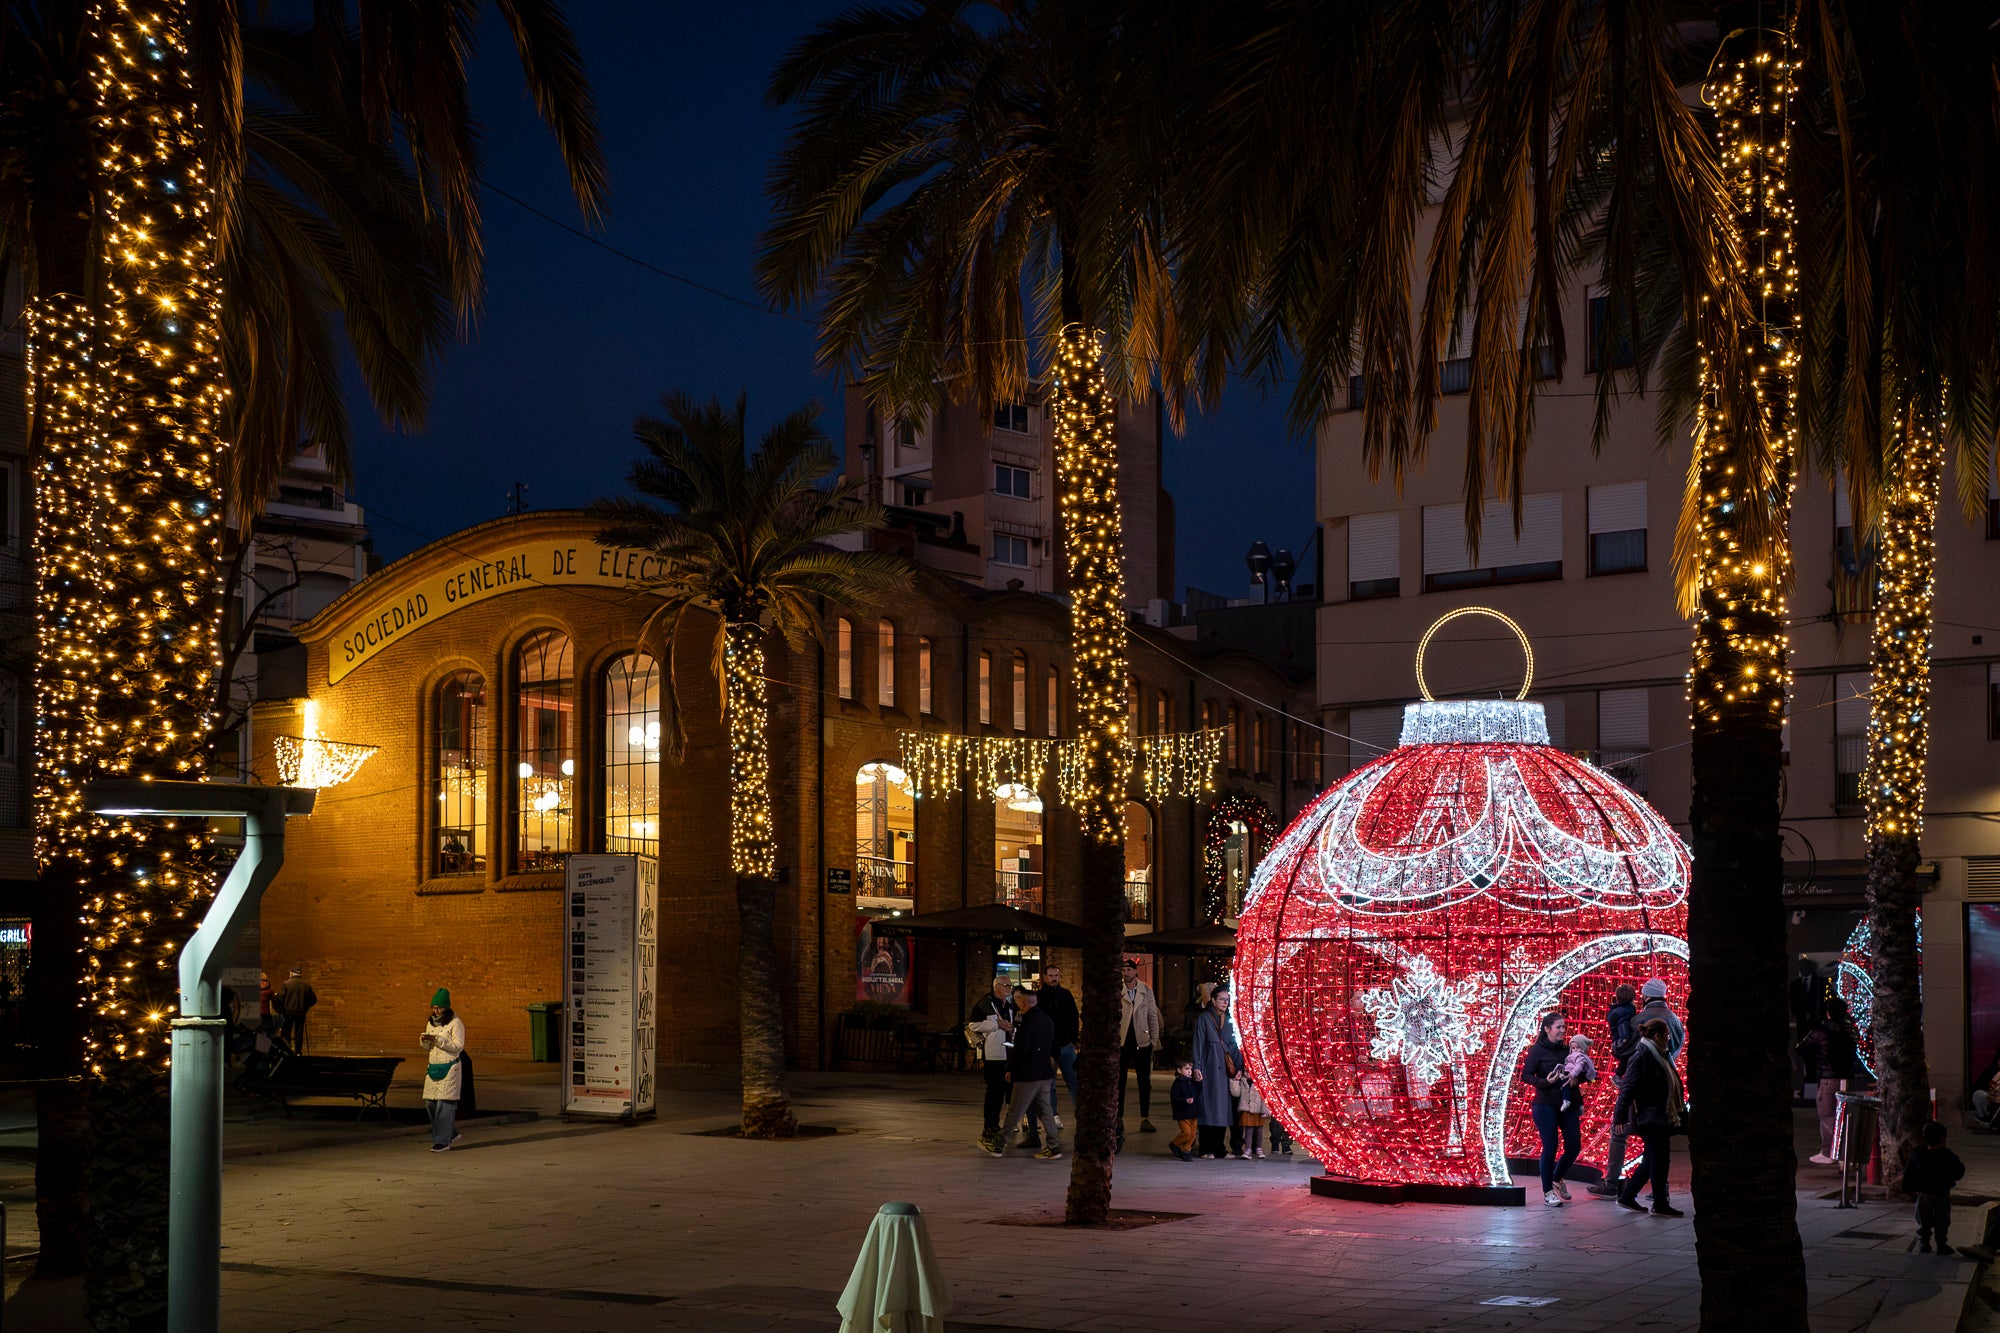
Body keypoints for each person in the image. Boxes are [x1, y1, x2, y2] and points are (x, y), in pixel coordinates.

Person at [1615, 1018, 1686, 1216]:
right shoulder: (1643, 1055)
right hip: (1650, 1116)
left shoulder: (1659, 1053)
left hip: (1659, 1114)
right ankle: (1660, 1204)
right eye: (1666, 1035)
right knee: (1660, 1160)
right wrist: (1619, 1117)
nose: (1668, 1039)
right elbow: (1627, 1088)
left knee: (1651, 1159)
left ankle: (1628, 1196)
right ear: (1656, 1035)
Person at [988, 985, 1061, 1160]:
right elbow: (1053, 1044)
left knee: (1015, 1110)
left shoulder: (1027, 1022)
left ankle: (998, 1144)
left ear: (1022, 1003)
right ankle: (1053, 1147)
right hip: (1044, 1073)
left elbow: (1022, 1049)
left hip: (1028, 1075)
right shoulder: (1047, 1020)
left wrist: (1011, 1068)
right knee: (1046, 1111)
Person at [1591, 983, 1650, 1198]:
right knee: (1654, 1140)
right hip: (1653, 1092)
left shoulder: (1632, 1020)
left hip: (1636, 1090)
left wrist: (1620, 1042)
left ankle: (1612, 1185)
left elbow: (1623, 1038)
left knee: (1620, 1132)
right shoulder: (1644, 1017)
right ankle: (1659, 1191)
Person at [1520, 1011, 1585, 1206]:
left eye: (1564, 1027)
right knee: (1550, 1146)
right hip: (1545, 1104)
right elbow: (1526, 1075)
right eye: (1559, 1027)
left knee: (1574, 1146)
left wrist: (1577, 1080)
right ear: (1547, 1029)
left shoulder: (1568, 1050)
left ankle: (1557, 1178)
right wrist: (1544, 1082)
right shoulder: (1537, 1050)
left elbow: (1580, 1072)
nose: (1562, 1031)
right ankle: (1548, 1191)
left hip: (1569, 1103)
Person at [1798, 997, 1861, 1165]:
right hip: (1846, 1078)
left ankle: (1829, 1151)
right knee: (1845, 1115)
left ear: (1828, 1013)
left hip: (1828, 1078)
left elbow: (1802, 1048)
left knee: (1827, 1115)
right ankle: (1845, 1155)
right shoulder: (1849, 1031)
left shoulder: (1820, 1031)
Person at [1190, 985, 1241, 1159]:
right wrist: (1197, 1066)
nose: (1225, 1003)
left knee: (1222, 1109)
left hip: (1224, 1070)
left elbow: (1234, 1046)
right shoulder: (1204, 1018)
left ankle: (1219, 1148)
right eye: (1221, 999)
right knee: (1208, 1108)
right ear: (1213, 1000)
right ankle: (1206, 1148)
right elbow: (1198, 1043)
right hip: (1209, 1068)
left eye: (1227, 1000)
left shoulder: (1229, 1020)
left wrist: (1238, 1068)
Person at [1905, 1121, 1967, 1254]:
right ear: (1942, 1139)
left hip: (1924, 1193)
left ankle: (1924, 1242)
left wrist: (1909, 1189)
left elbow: (1910, 1173)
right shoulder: (1947, 1156)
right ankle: (1941, 1243)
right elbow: (1959, 1171)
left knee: (1923, 1220)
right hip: (1941, 1192)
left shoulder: (1919, 1156)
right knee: (1942, 1220)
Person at [969, 978, 1016, 1150]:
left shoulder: (1009, 1005)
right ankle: (989, 1125)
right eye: (1006, 985)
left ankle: (999, 1125)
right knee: (994, 1091)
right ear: (996, 987)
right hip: (993, 1055)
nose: (1009, 988)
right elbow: (973, 1025)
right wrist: (996, 1024)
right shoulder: (985, 1004)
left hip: (1008, 1053)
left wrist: (1011, 1028)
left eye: (1010, 986)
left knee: (1005, 1091)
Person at [1118, 959, 1164, 1133]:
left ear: (1135, 971)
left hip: (1142, 1042)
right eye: (1124, 970)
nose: (1126, 973)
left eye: (1129, 969)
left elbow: (1152, 1015)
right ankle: (1119, 1117)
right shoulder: (1118, 990)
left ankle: (1145, 1117)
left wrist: (1153, 1040)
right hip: (1122, 1042)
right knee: (1120, 1081)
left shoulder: (1145, 991)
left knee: (1144, 1082)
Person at [421, 988, 466, 1152]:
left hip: (449, 1067)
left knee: (445, 1104)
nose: (436, 1011)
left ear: (446, 1007)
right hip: (434, 1066)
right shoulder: (430, 1023)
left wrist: (439, 1040)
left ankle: (442, 1141)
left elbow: (458, 1046)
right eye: (434, 1007)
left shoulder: (456, 1023)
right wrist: (425, 1041)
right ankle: (450, 1132)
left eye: (439, 1007)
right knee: (430, 1103)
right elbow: (428, 1047)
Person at [1038, 962, 1081, 1128]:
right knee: (1051, 1083)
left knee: (1073, 1080)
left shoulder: (1066, 995)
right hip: (1049, 1046)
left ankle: (1080, 1113)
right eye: (1051, 976)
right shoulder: (1040, 996)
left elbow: (1074, 1017)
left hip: (1065, 1044)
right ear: (1045, 977)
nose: (1054, 979)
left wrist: (1072, 1040)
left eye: (1056, 975)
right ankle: (1054, 1114)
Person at [1634, 979, 1685, 1059]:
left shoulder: (1638, 1019)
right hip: (1668, 1065)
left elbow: (1627, 1050)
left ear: (1646, 996)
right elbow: (1680, 1042)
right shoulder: (1675, 1019)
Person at [277, 967, 318, 1053]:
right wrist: (305, 1007)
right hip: (301, 1013)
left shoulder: (286, 984)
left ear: (291, 973)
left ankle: (287, 1051)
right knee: (299, 1033)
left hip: (287, 1012)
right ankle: (298, 1051)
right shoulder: (306, 985)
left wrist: (281, 1010)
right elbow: (313, 1000)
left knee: (286, 1032)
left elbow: (279, 999)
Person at [1168, 1058, 1202, 1161]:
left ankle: (1186, 1149)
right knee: (1186, 1132)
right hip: (1183, 1114)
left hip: (1193, 1113)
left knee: (1193, 1134)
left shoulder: (1192, 1082)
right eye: (1186, 1069)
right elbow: (1175, 1098)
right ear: (1179, 1070)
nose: (1189, 1071)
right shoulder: (1177, 1084)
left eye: (1190, 1069)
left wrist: (1199, 1082)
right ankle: (1175, 1144)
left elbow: (1198, 1091)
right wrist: (1185, 1100)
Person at [1558, 1035, 1596, 1114]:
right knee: (1575, 1088)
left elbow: (1579, 1066)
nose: (1575, 1050)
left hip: (1572, 1073)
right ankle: (1580, 1105)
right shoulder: (1571, 1055)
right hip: (1568, 1072)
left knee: (1564, 1084)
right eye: (1573, 1048)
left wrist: (1573, 1074)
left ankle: (1566, 1100)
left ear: (1583, 1048)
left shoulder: (1580, 1056)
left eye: (1578, 1048)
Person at [1237, 1073, 1269, 1159]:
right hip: (1247, 1109)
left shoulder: (1260, 1081)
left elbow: (1265, 1096)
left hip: (1258, 1110)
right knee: (1248, 1130)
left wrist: (1265, 1109)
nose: (1245, 1073)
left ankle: (1259, 1148)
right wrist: (1235, 1081)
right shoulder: (1242, 1081)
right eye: (1244, 1071)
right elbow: (1236, 1093)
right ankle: (1248, 1149)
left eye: (1247, 1071)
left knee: (1259, 1130)